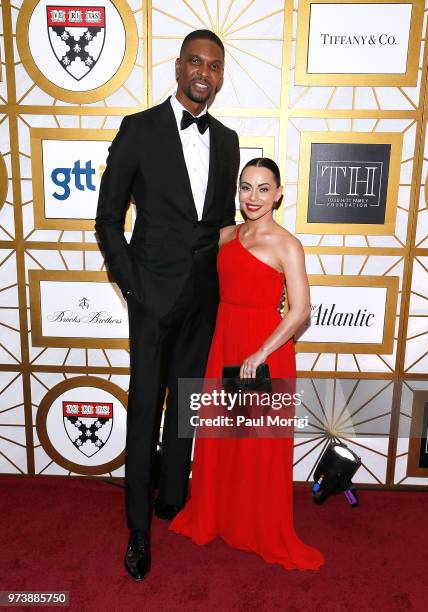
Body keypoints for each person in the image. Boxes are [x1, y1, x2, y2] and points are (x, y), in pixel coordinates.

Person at [95, 30, 240, 581]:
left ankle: (172, 497)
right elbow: (108, 219)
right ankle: (138, 529)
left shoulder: (227, 140)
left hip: (205, 300)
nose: (204, 73)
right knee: (145, 412)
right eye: (196, 62)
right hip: (152, 298)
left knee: (185, 406)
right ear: (178, 67)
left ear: (221, 77)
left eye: (214, 66)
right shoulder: (139, 130)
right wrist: (133, 287)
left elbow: (221, 227)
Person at [170, 158, 324, 571]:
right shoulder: (227, 235)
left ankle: (255, 525)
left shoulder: (286, 244)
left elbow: (301, 311)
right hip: (225, 340)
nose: (252, 197)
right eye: (245, 188)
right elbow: (183, 249)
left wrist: (260, 352)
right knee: (222, 438)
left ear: (278, 194)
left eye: (262, 188)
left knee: (258, 447)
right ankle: (219, 515)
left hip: (266, 350)